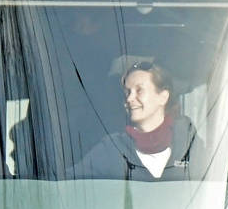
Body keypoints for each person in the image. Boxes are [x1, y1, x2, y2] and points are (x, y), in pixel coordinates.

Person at [67, 62, 196, 180]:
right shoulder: (111, 149)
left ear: (162, 97)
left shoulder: (188, 141)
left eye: (139, 90)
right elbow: (66, 184)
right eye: (127, 92)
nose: (129, 99)